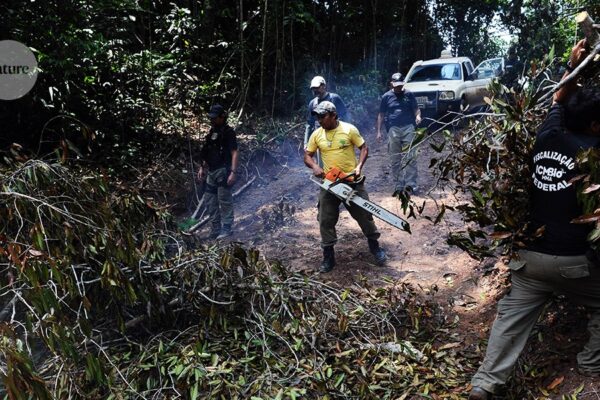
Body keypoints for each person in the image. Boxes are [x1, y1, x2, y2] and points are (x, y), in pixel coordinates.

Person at [469, 39, 600, 399]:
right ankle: (591, 364)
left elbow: (559, 98)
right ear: (592, 125)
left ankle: (485, 383)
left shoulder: (547, 135)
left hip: (529, 258)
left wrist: (573, 66)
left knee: (511, 318)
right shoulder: (594, 156)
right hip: (574, 263)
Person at [304, 101, 386, 273]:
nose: (320, 120)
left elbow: (364, 148)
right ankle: (328, 256)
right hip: (330, 184)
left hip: (352, 182)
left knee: (365, 215)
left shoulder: (349, 129)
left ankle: (375, 248)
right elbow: (308, 156)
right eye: (318, 117)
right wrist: (314, 166)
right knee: (325, 219)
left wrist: (358, 167)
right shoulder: (316, 134)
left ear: (333, 115)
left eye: (323, 116)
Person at [197, 104, 239, 239]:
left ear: (222, 117)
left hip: (224, 170)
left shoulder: (228, 132)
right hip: (212, 171)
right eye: (211, 118)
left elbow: (234, 152)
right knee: (209, 200)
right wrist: (202, 167)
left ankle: (226, 228)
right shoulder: (212, 133)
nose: (212, 120)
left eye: (215, 118)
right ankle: (215, 228)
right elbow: (207, 151)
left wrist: (233, 172)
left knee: (224, 199)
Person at [376, 72, 422, 195]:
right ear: (391, 84)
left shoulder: (409, 94)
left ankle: (411, 185)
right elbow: (381, 114)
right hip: (393, 129)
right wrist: (379, 131)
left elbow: (416, 109)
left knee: (410, 156)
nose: (399, 87)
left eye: (400, 85)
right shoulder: (386, 97)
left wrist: (418, 116)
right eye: (396, 85)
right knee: (395, 158)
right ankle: (398, 185)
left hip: (408, 127)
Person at [304, 75, 350, 149]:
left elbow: (345, 117)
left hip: (337, 135)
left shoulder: (334, 98)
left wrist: (347, 135)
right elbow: (309, 124)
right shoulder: (312, 103)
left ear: (324, 86)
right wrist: (306, 143)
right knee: (322, 160)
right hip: (321, 139)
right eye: (313, 89)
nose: (315, 90)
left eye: (317, 88)